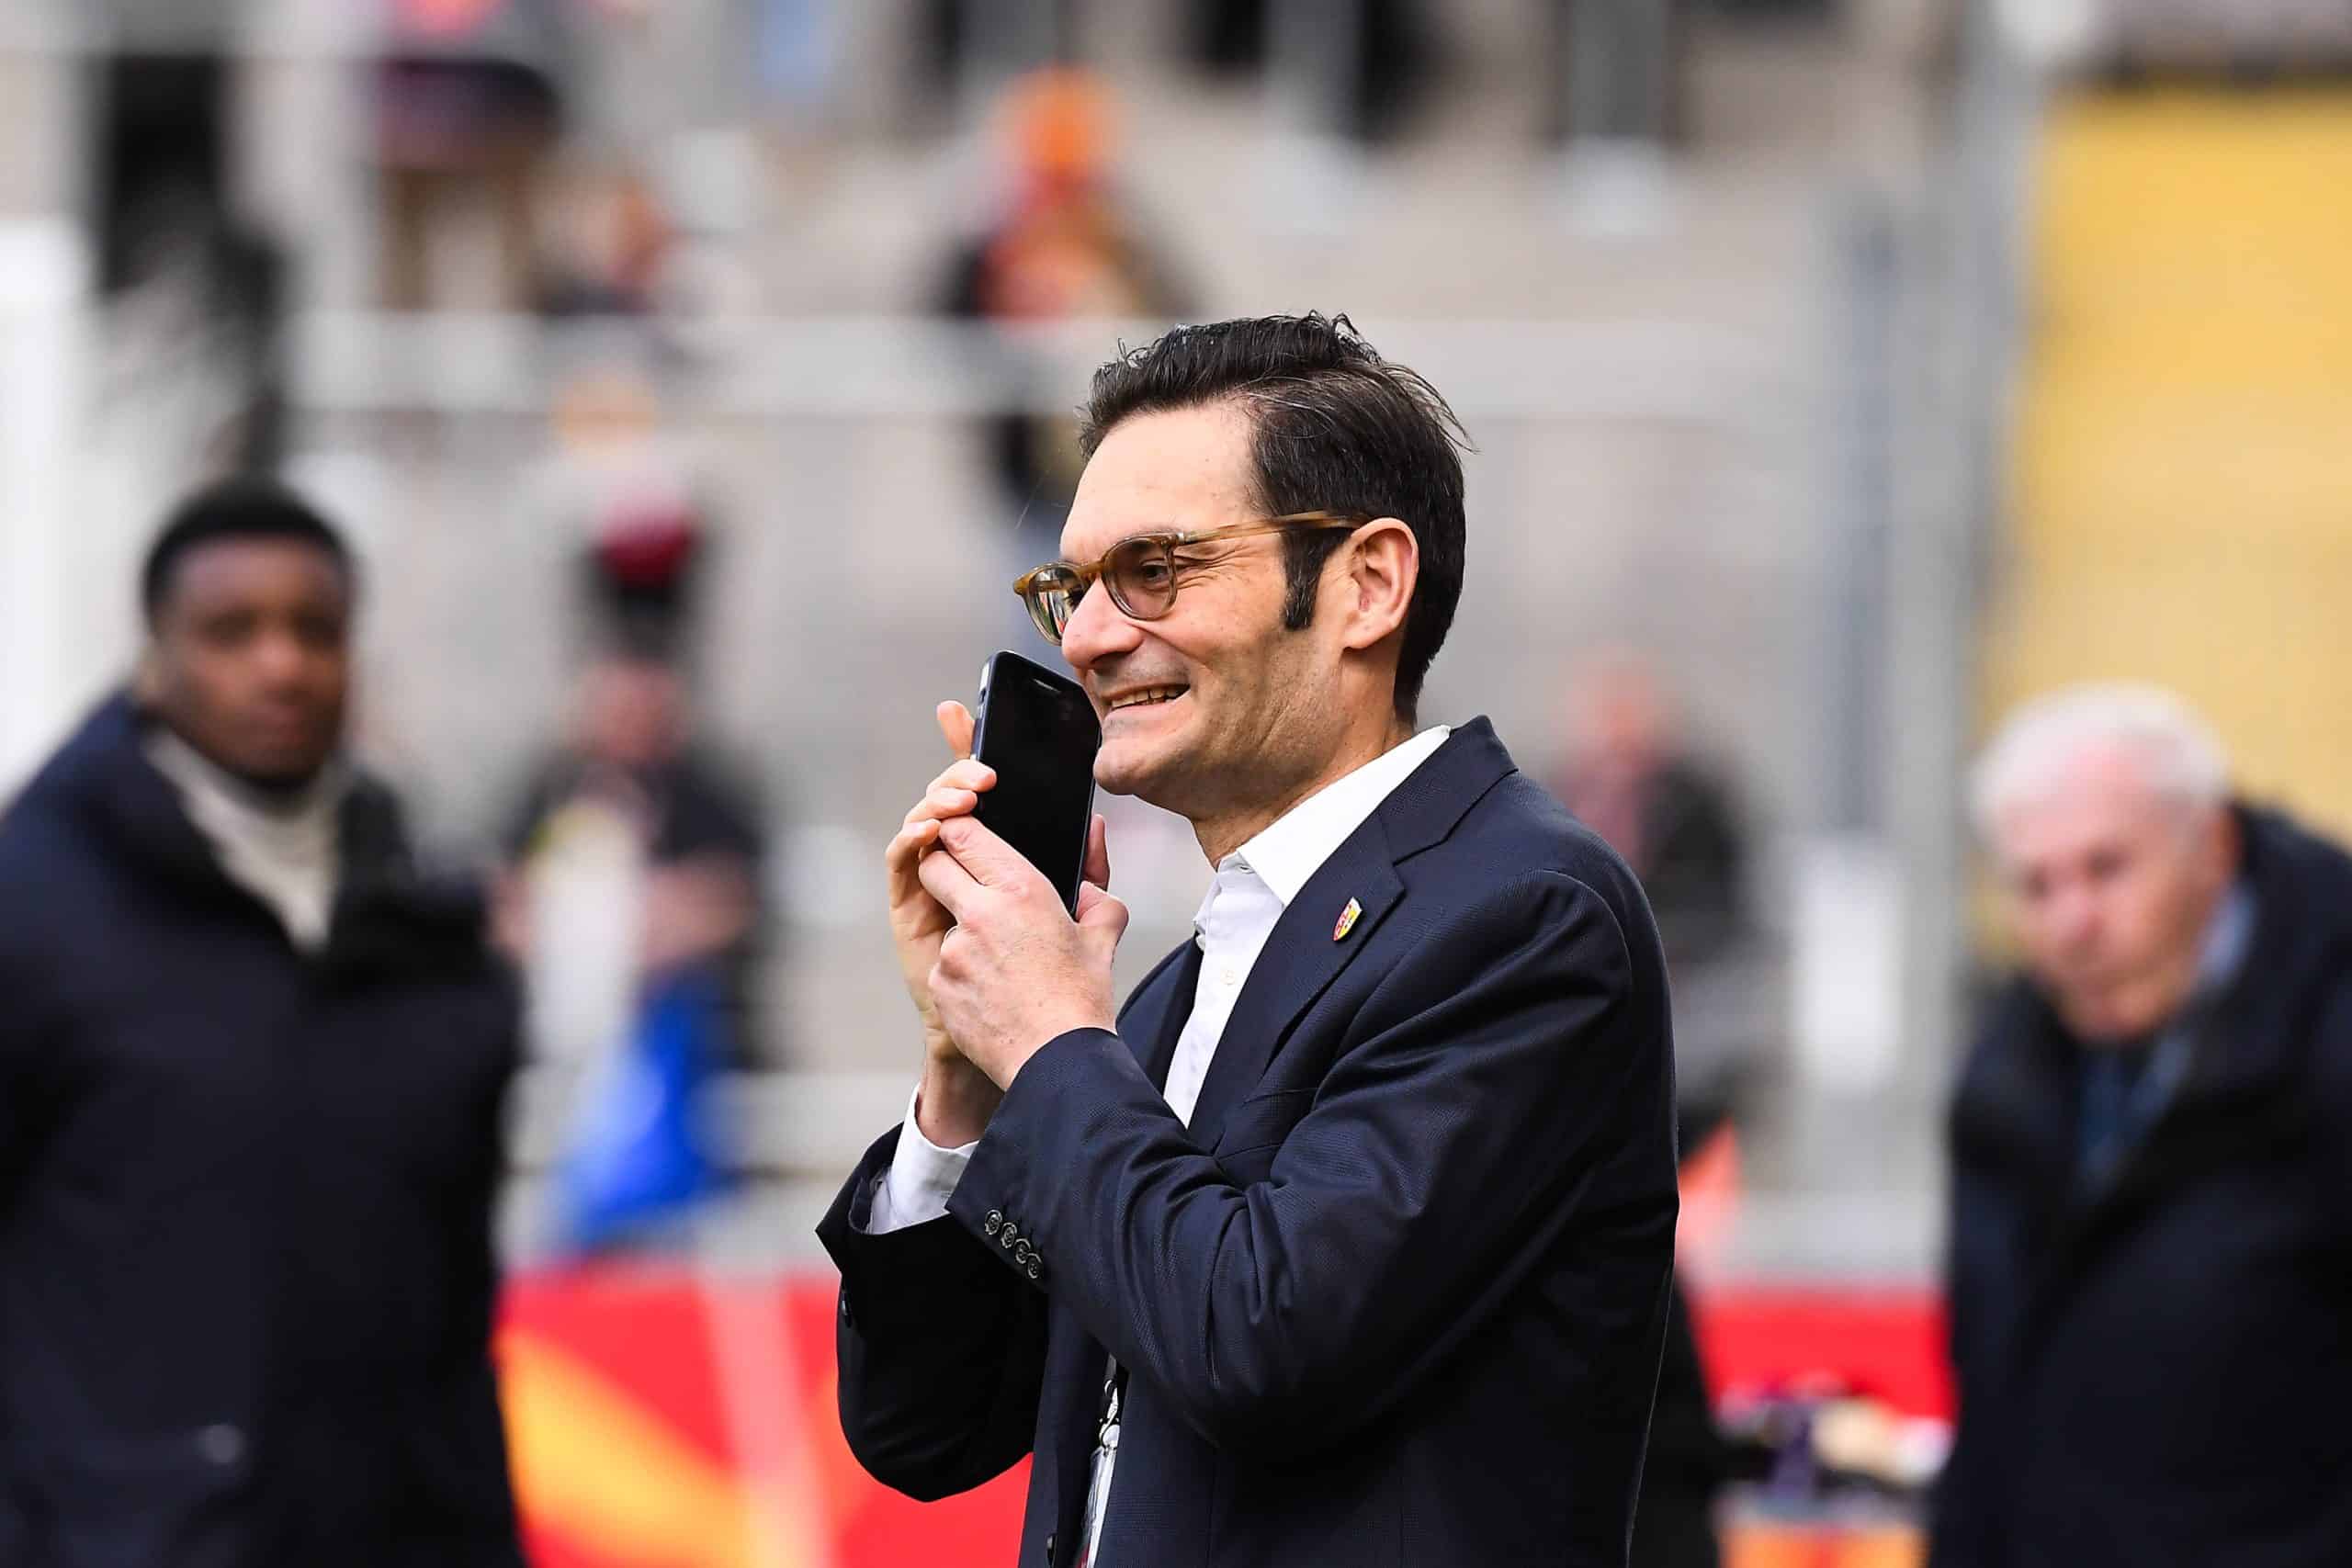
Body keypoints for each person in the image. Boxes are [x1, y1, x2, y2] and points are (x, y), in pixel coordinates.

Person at [820, 313, 1679, 1567]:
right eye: (1073, 586)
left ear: (1367, 585)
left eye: (1155, 568)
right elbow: (926, 1425)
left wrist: (1056, 1039)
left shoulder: (1527, 918)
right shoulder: (1167, 993)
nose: (1088, 636)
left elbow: (1261, 1339)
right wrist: (968, 1065)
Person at [0, 479, 523, 1566]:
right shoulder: (34, 905)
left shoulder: (429, 933)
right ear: (155, 655)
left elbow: (454, 1323)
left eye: (314, 630)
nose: (279, 664)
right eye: (231, 630)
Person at [1934, 683, 2352, 1568]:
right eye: (2036, 885)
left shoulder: (2331, 1048)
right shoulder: (2004, 1076)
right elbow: (1991, 1417)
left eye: (2106, 868)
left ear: (2214, 848)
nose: (2072, 922)